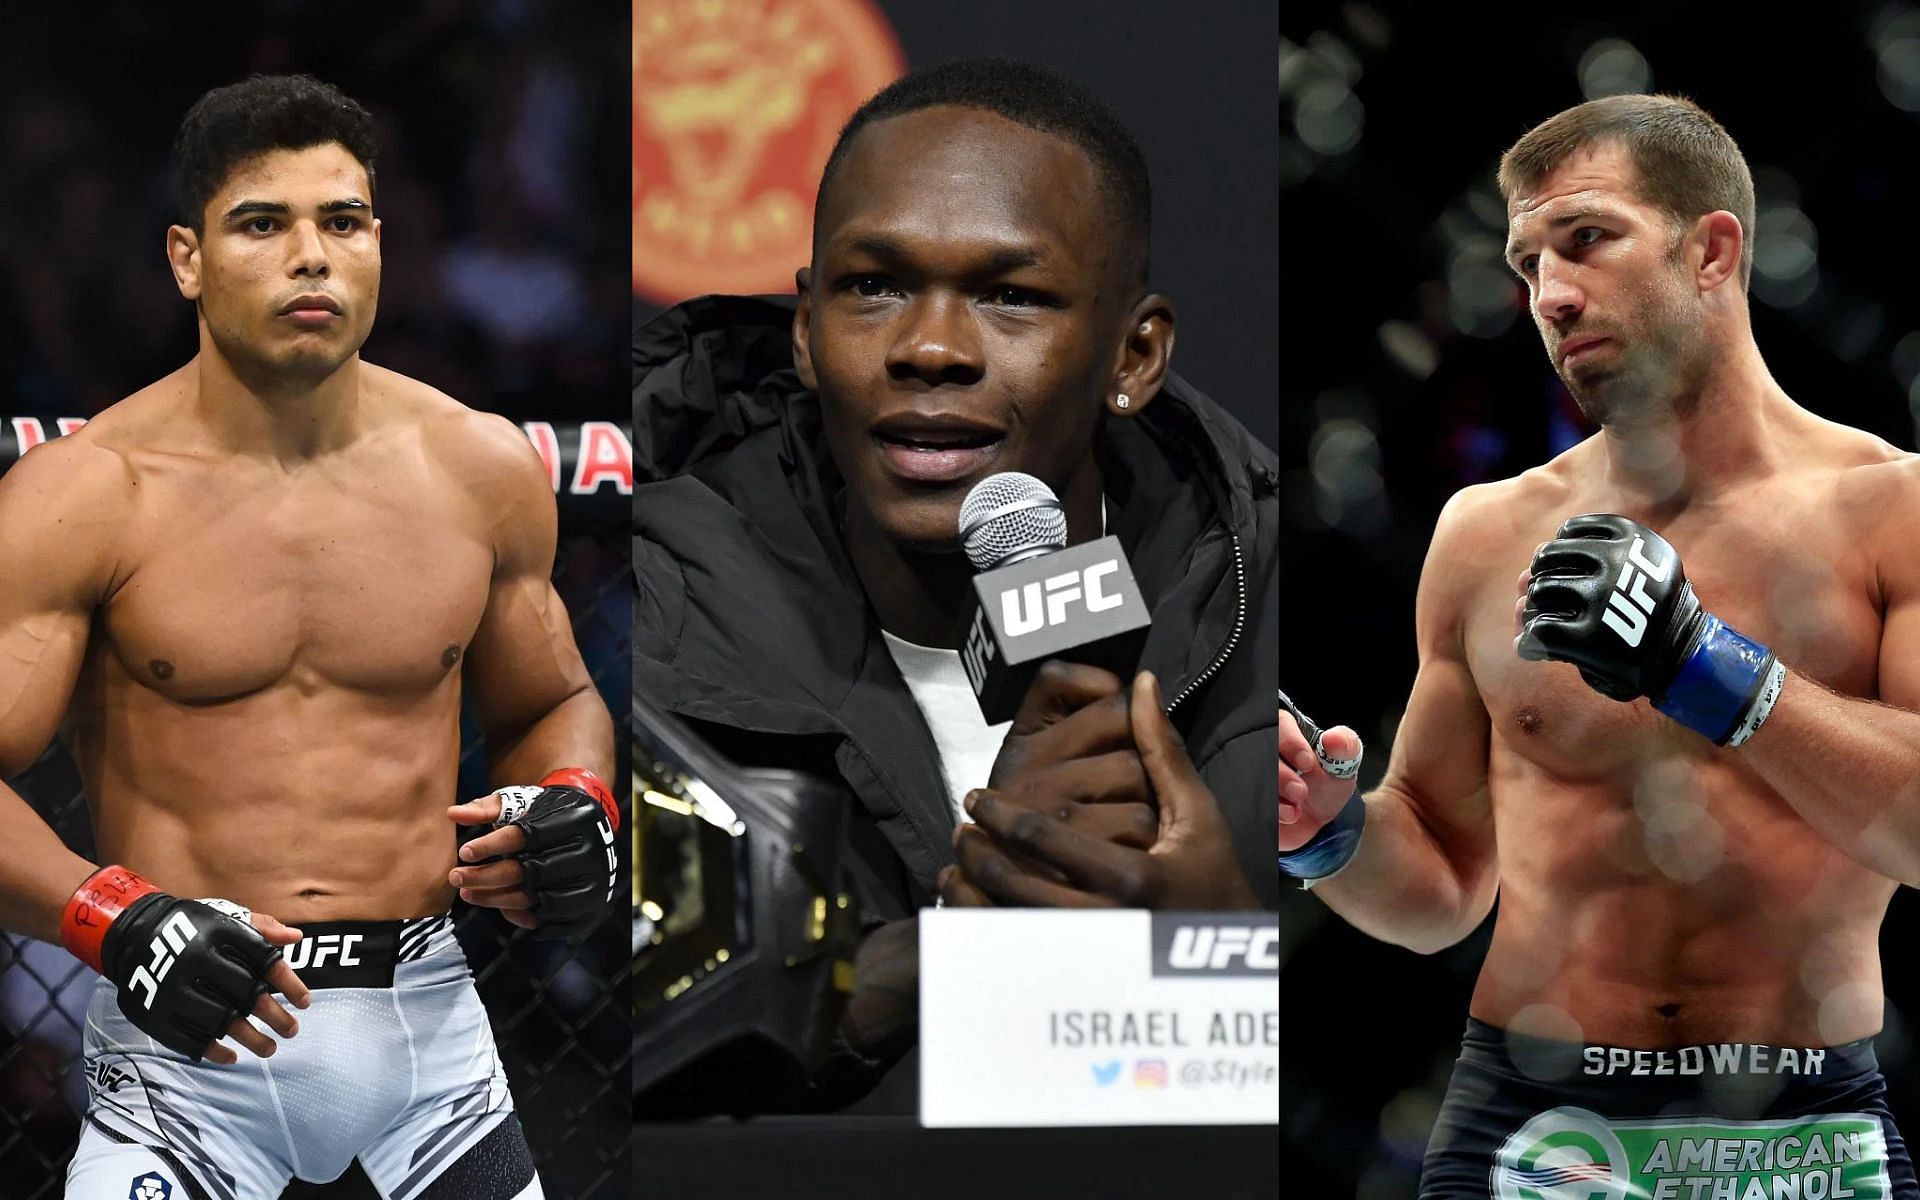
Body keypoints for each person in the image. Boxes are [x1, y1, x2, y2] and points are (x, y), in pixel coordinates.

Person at [1280, 93, 1920, 1197]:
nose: (1551, 296)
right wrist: (1327, 834)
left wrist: (1703, 667)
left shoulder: (1891, 512)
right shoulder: (1486, 537)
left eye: (1584, 240)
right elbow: (1438, 879)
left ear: (1712, 248)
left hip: (1804, 1126)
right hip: (1530, 1123)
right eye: (1526, 265)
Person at [0, 75, 616, 1199]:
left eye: (340, 222)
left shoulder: (477, 466)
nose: (311, 256)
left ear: (379, 242)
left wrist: (577, 799)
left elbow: (552, 701)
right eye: (261, 224)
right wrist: (112, 918)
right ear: (186, 257)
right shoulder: (87, 494)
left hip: (429, 1045)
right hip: (185, 1056)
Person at [635, 57, 1279, 1106]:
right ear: (805, 331)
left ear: (1133, 355)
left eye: (1011, 297)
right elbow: (576, 1069)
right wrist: (936, 963)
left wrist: (1224, 961)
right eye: (874, 287)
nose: (931, 348)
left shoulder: (1278, 599)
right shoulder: (638, 613)